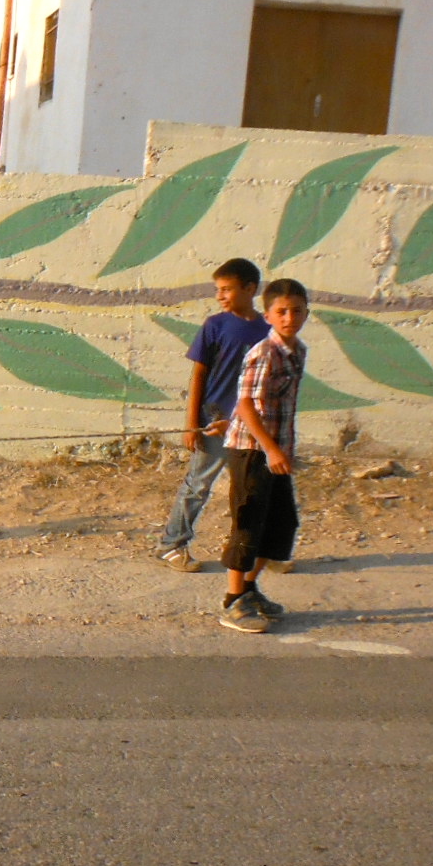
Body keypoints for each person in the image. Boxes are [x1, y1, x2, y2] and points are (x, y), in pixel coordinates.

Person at [155, 258, 268, 573]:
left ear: (250, 288)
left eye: (227, 289)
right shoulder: (215, 326)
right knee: (199, 484)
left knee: (252, 486)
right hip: (214, 418)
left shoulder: (268, 330)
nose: (220, 295)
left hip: (251, 423)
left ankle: (252, 549)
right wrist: (192, 424)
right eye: (217, 290)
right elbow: (199, 375)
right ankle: (171, 545)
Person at [218, 278, 309, 634]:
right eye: (281, 312)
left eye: (297, 311)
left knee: (282, 524)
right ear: (268, 316)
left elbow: (262, 402)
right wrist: (270, 449)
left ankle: (249, 589)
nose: (289, 318)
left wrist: (278, 449)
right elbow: (245, 402)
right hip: (253, 452)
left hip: (277, 451)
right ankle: (232, 600)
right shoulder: (263, 352)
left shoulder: (298, 350)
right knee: (247, 524)